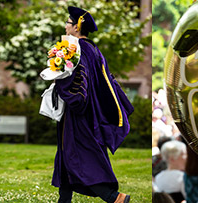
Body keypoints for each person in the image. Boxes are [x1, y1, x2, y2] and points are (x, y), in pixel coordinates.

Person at [52, 6, 134, 203]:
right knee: (66, 155)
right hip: (88, 113)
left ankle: (114, 198)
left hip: (79, 114)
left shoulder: (78, 49)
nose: (65, 26)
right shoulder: (94, 49)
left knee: (79, 158)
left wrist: (61, 86)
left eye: (68, 23)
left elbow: (79, 84)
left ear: (77, 27)